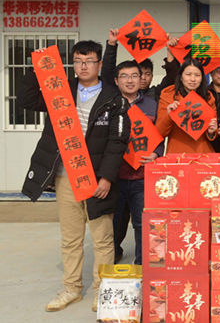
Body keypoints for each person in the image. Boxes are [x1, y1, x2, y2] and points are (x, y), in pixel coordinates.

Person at [18, 41, 130, 312]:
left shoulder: (113, 98)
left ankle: (102, 289)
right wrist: (36, 70)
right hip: (65, 176)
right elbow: (26, 101)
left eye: (89, 61)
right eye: (78, 61)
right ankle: (71, 288)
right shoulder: (60, 90)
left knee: (102, 238)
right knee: (70, 238)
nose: (83, 66)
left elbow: (117, 142)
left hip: (97, 179)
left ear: (99, 64)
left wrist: (106, 177)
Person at [112, 60, 165, 266]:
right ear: (116, 80)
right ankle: (109, 262)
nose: (130, 80)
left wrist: (156, 154)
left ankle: (144, 266)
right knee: (112, 225)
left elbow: (159, 136)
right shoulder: (109, 104)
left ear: (141, 78)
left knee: (143, 224)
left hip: (143, 176)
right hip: (115, 176)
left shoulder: (152, 105)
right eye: (124, 76)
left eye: (135, 75)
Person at [156, 59, 218, 154]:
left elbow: (213, 132)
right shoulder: (168, 96)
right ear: (181, 77)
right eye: (188, 74)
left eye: (197, 75)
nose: (193, 79)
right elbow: (160, 133)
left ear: (202, 78)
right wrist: (169, 115)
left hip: (202, 153)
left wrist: (211, 132)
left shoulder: (208, 97)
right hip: (177, 153)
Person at [102, 28, 179, 101]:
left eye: (147, 74)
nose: (143, 78)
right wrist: (111, 44)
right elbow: (108, 73)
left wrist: (170, 50)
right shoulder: (118, 93)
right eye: (139, 74)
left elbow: (172, 78)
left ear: (152, 76)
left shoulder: (157, 94)